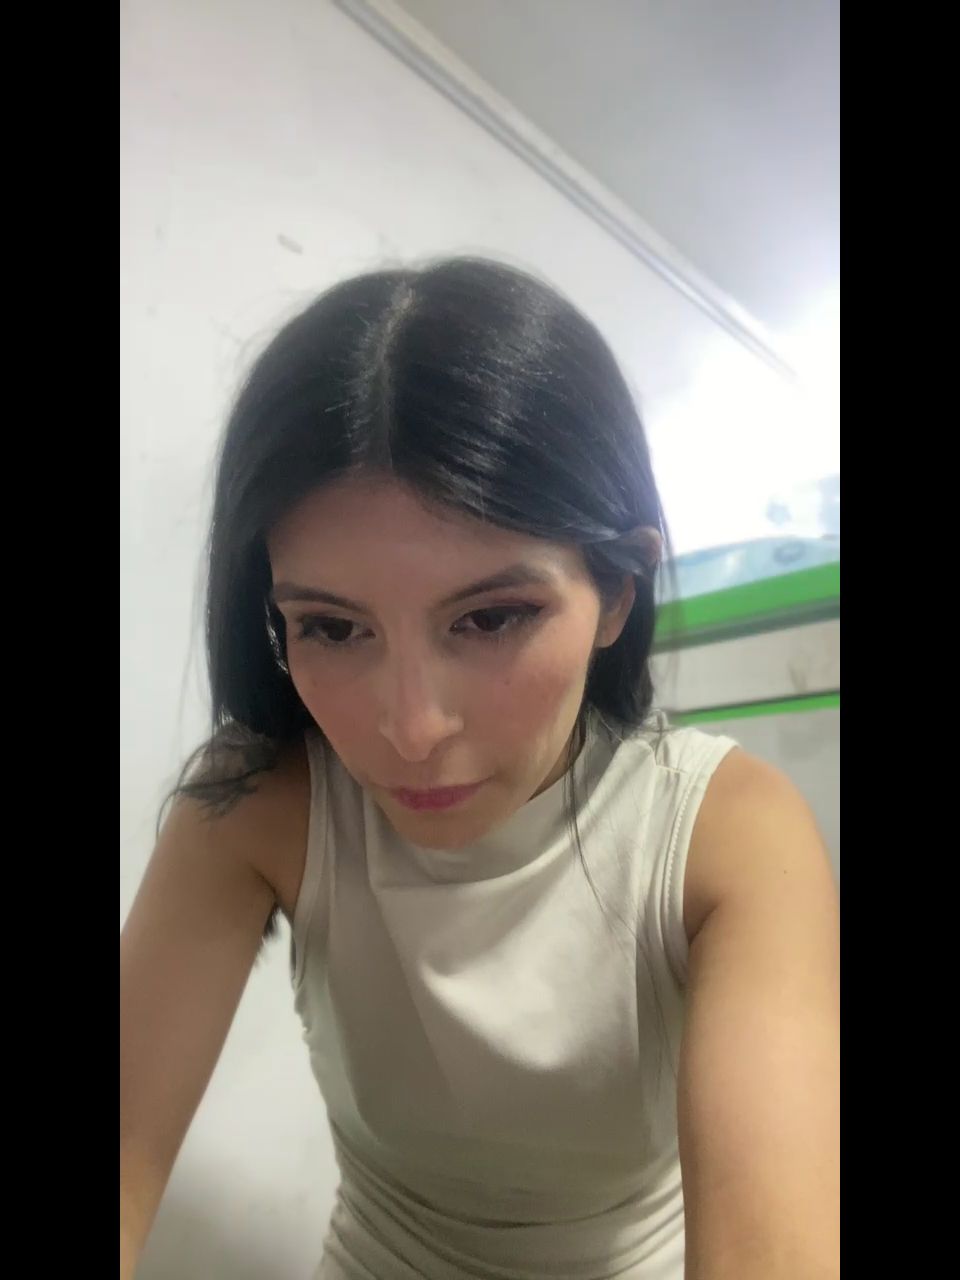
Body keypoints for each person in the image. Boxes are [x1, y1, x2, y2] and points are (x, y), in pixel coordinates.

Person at [120, 257, 839, 1279]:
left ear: (617, 591)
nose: (411, 728)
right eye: (332, 627)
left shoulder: (724, 831)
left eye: (493, 616)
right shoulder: (261, 801)